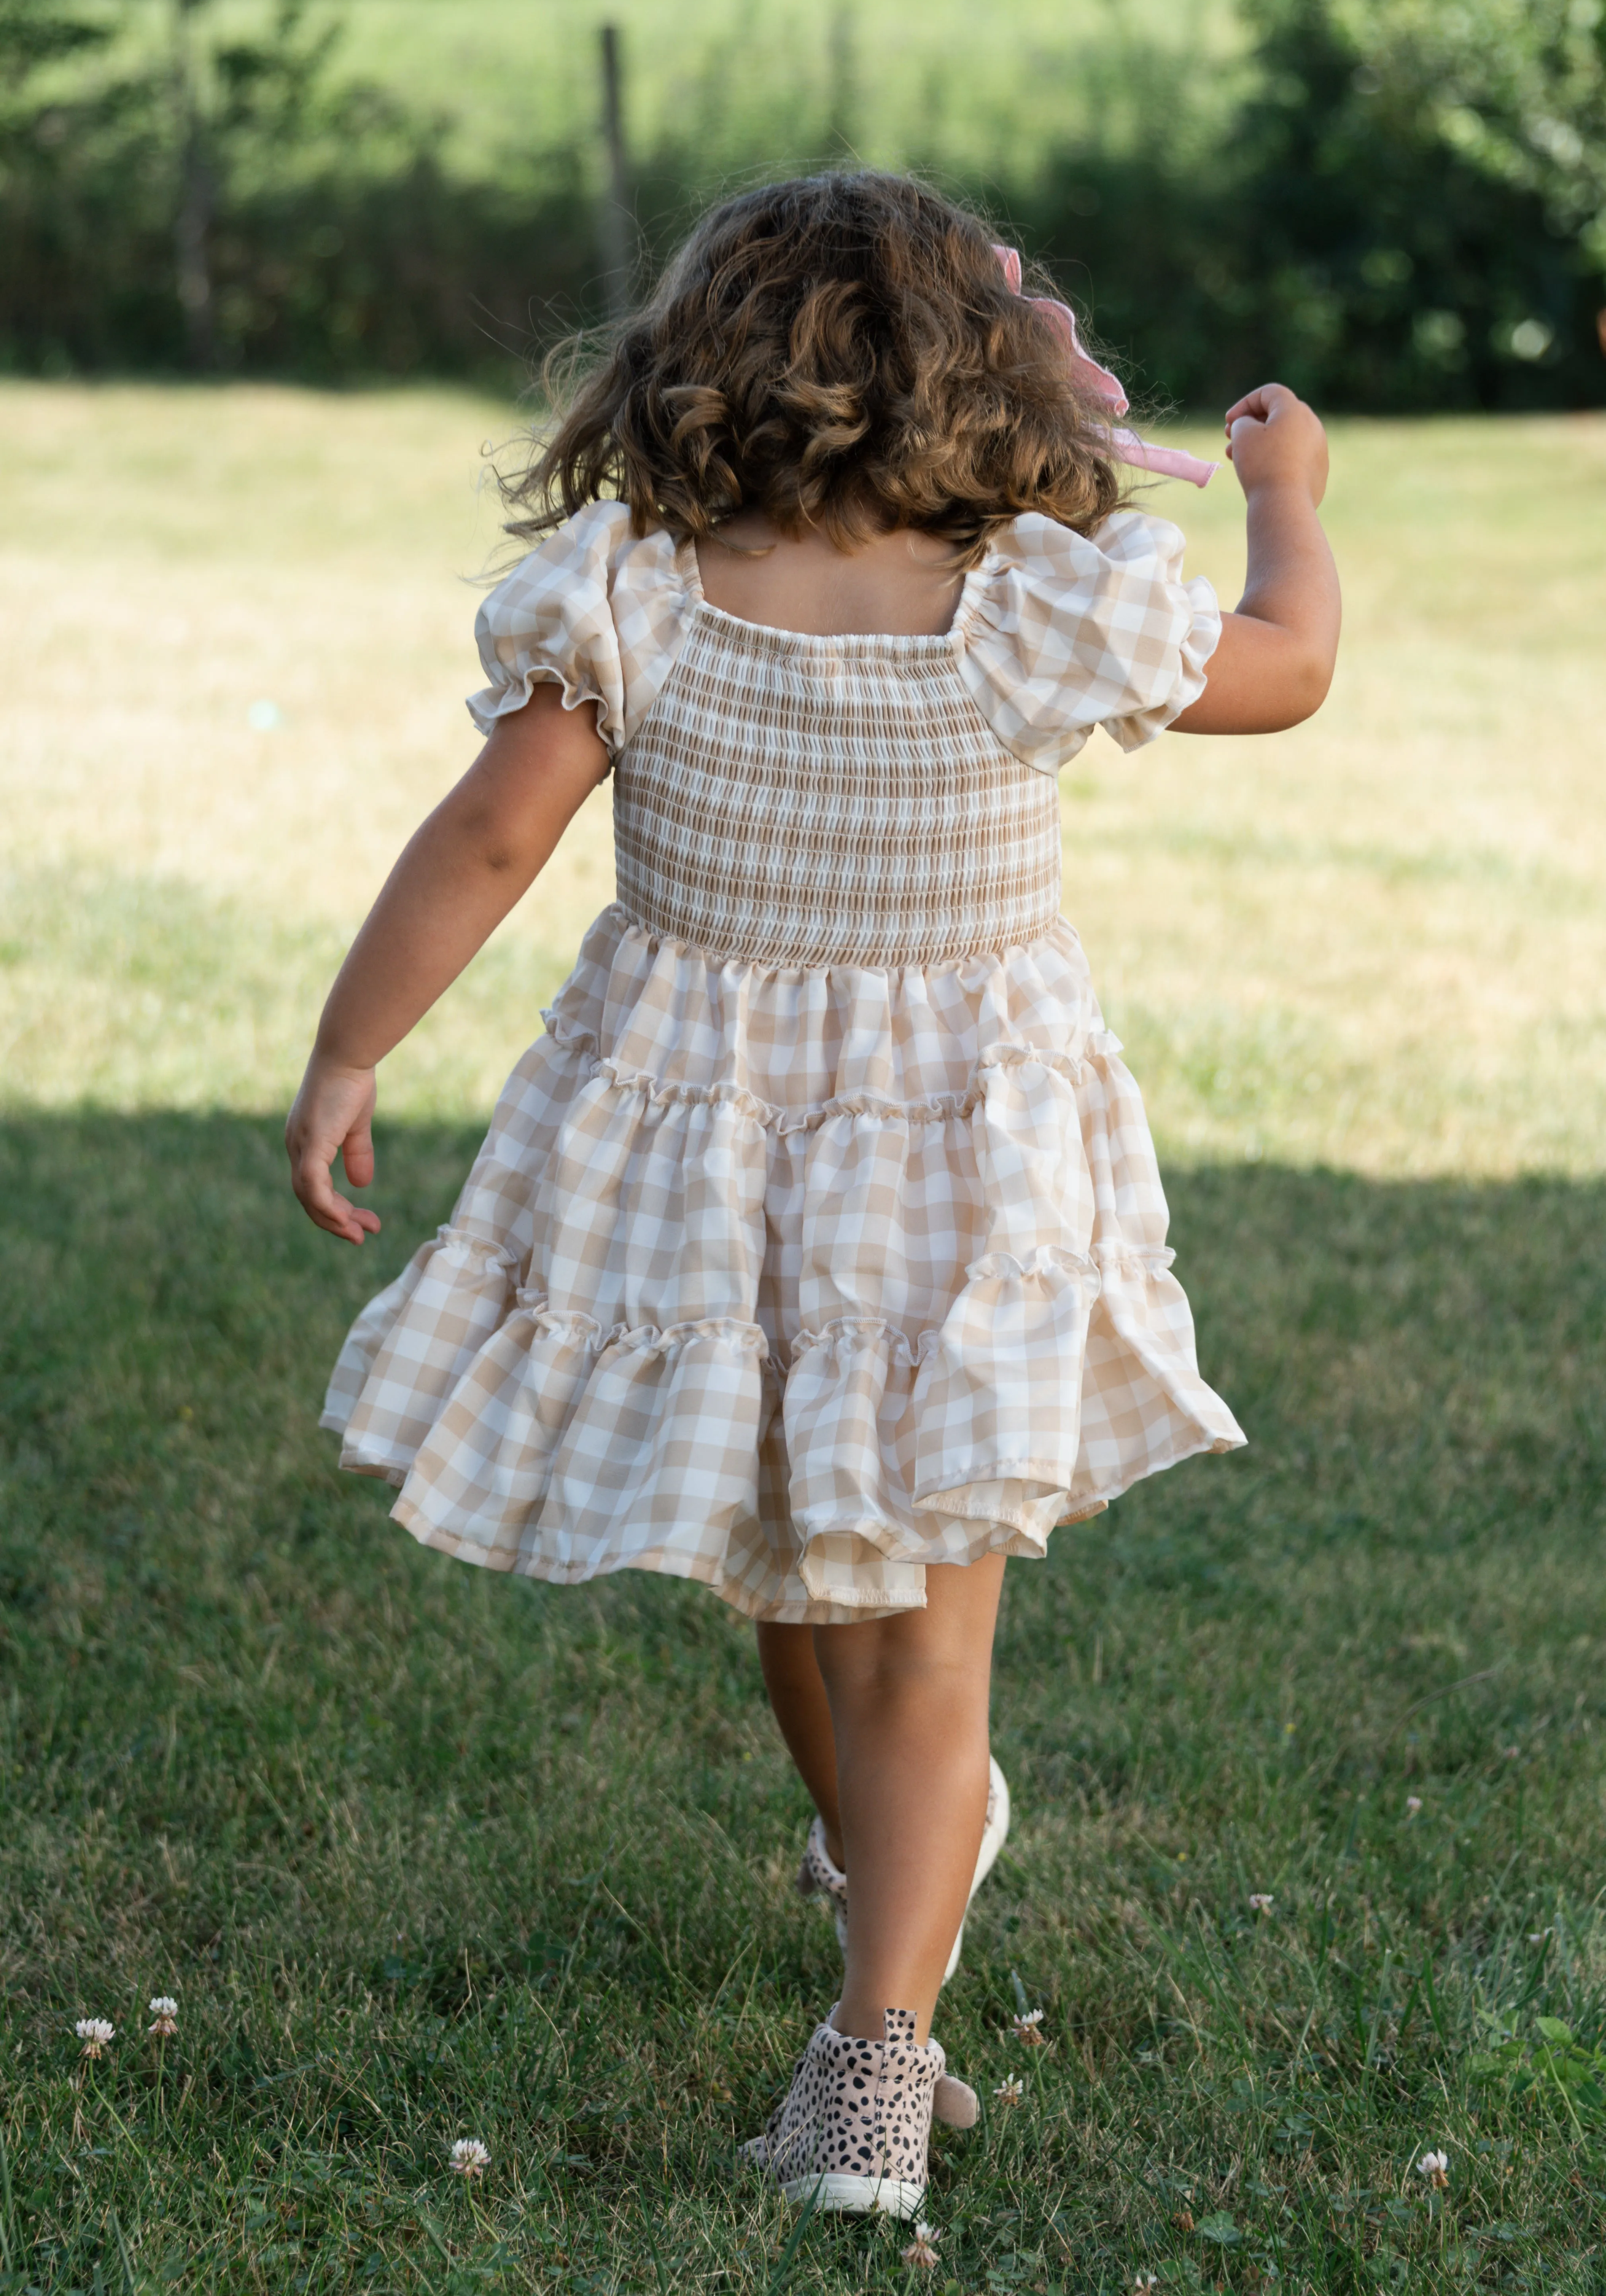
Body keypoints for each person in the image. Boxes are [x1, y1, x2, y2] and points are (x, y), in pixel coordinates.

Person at [286, 172, 1339, 2222]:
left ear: (710, 365)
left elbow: (492, 837)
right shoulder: (1038, 594)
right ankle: (888, 1983)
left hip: (706, 1164)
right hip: (960, 1167)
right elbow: (1286, 667)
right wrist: (1290, 493)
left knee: (797, 1577)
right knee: (915, 1650)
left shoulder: (648, 591)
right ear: (976, 373)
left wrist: (350, 1049)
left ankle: (877, 2002)